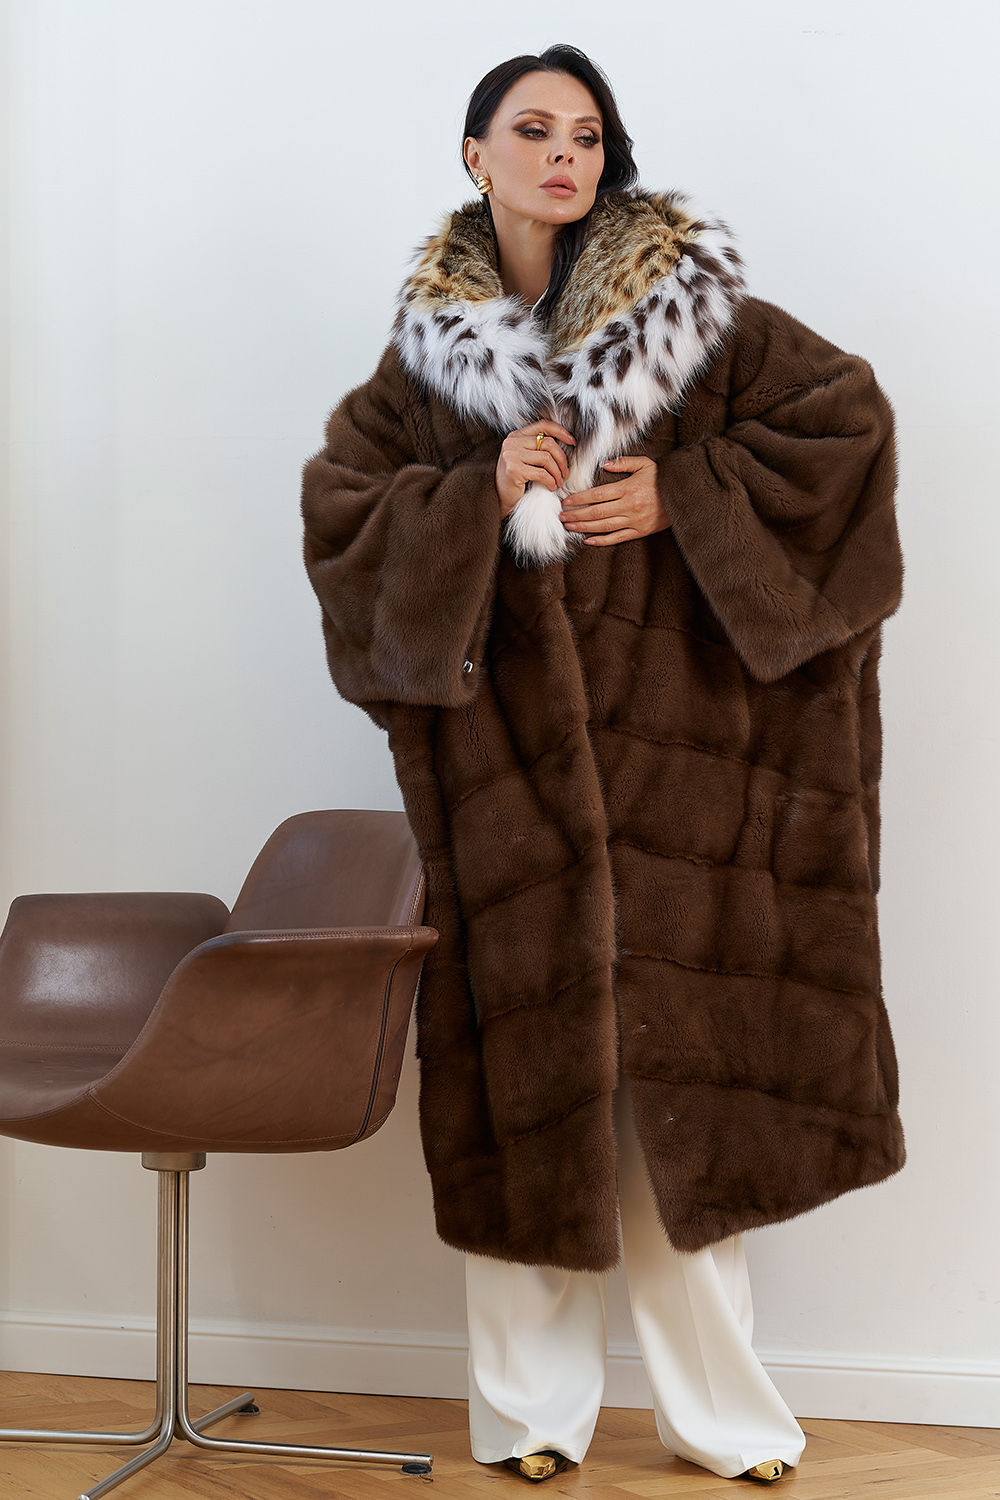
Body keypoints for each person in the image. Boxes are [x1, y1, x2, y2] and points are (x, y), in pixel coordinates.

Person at [300, 44, 905, 1487]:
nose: (564, 154)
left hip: (696, 775)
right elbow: (344, 517)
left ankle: (728, 1423)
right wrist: (474, 497)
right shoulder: (426, 366)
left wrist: (686, 496)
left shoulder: (696, 321)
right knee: (535, 1102)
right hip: (515, 785)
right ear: (476, 156)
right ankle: (531, 1421)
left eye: (586, 134)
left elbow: (847, 431)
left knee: (687, 1108)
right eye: (533, 129)